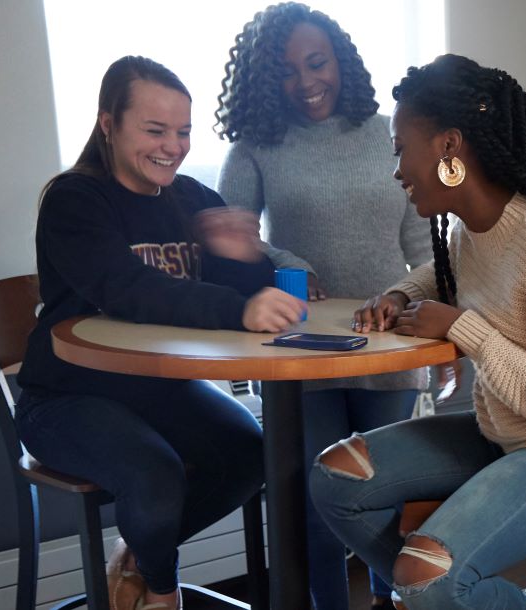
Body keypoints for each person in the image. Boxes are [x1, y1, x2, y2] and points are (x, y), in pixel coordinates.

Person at [308, 54, 526, 610]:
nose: (397, 170)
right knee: (336, 476)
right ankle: (431, 596)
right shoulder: (475, 230)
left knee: (429, 576)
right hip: (506, 432)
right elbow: (443, 272)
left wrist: (467, 331)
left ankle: (460, 597)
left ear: (448, 146)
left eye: (400, 150)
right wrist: (400, 294)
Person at [15, 56, 305, 610]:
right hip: (65, 396)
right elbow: (126, 290)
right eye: (155, 130)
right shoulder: (75, 199)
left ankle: (139, 560)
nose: (172, 146)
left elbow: (253, 293)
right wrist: (239, 304)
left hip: (159, 390)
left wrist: (243, 258)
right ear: (108, 124)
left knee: (250, 455)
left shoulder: (192, 198)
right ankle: (161, 595)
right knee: (156, 473)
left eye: (184, 131)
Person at [214, 5, 431, 609]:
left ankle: (396, 603)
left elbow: (421, 249)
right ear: (264, 79)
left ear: (341, 62)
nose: (307, 82)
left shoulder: (392, 132)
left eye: (317, 63)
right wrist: (285, 257)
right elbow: (234, 244)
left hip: (389, 342)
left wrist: (429, 313)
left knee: (384, 497)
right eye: (287, 71)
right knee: (319, 498)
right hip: (298, 352)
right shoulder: (256, 146)